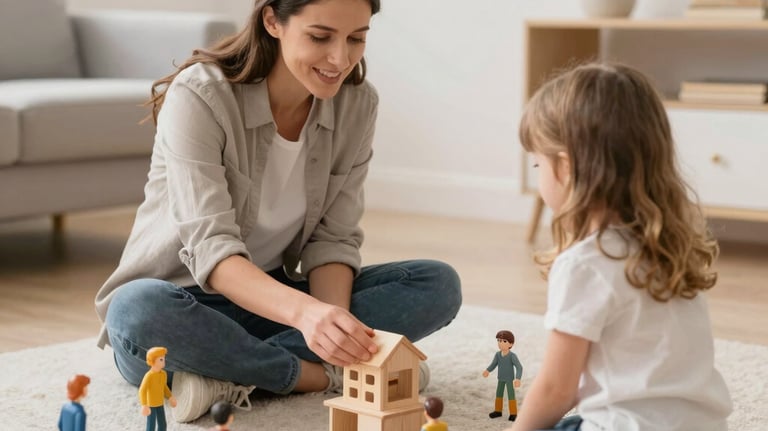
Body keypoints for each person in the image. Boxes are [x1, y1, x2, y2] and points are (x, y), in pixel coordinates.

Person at [94, 0, 461, 424]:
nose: (340, 59)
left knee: (436, 284)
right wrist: (309, 320)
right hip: (183, 303)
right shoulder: (201, 95)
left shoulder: (357, 104)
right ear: (272, 20)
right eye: (320, 37)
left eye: (357, 38)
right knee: (135, 310)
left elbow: (333, 240)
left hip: (273, 301)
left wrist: (331, 326)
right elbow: (212, 248)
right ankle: (319, 377)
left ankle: (230, 373)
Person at [505, 62, 732, 431]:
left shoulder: (585, 263)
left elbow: (555, 391)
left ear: (564, 167)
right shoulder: (672, 248)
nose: (538, 175)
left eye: (537, 165)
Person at [482, 330, 522, 421]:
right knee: (498, 394)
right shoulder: (497, 355)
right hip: (500, 378)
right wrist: (488, 370)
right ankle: (498, 411)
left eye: (504, 341)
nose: (500, 343)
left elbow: (519, 367)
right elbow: (493, 364)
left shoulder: (512, 356)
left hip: (509, 380)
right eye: (499, 340)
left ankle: (513, 413)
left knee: (511, 395)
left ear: (511, 344)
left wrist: (518, 378)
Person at [139, 347, 177, 431]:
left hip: (160, 403)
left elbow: (164, 387)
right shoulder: (149, 376)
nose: (164, 361)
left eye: (163, 358)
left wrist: (170, 397)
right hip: (151, 405)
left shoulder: (163, 374)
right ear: (152, 361)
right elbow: (142, 390)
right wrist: (144, 404)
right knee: (151, 425)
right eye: (161, 359)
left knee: (162, 424)